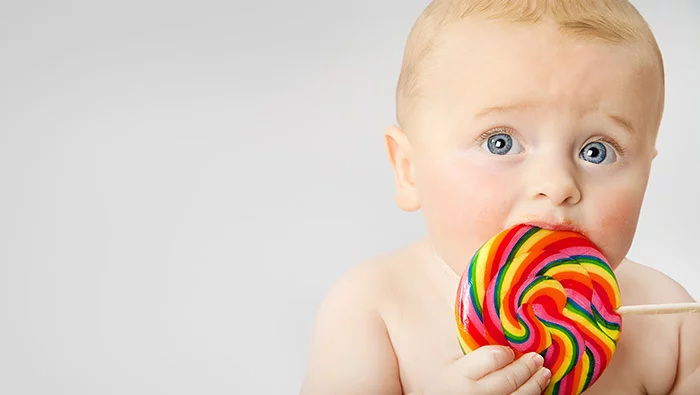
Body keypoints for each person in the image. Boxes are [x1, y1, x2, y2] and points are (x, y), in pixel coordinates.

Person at [300, 1, 700, 393]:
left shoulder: (672, 323)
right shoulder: (374, 312)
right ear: (408, 168)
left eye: (597, 151)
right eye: (500, 142)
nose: (558, 183)